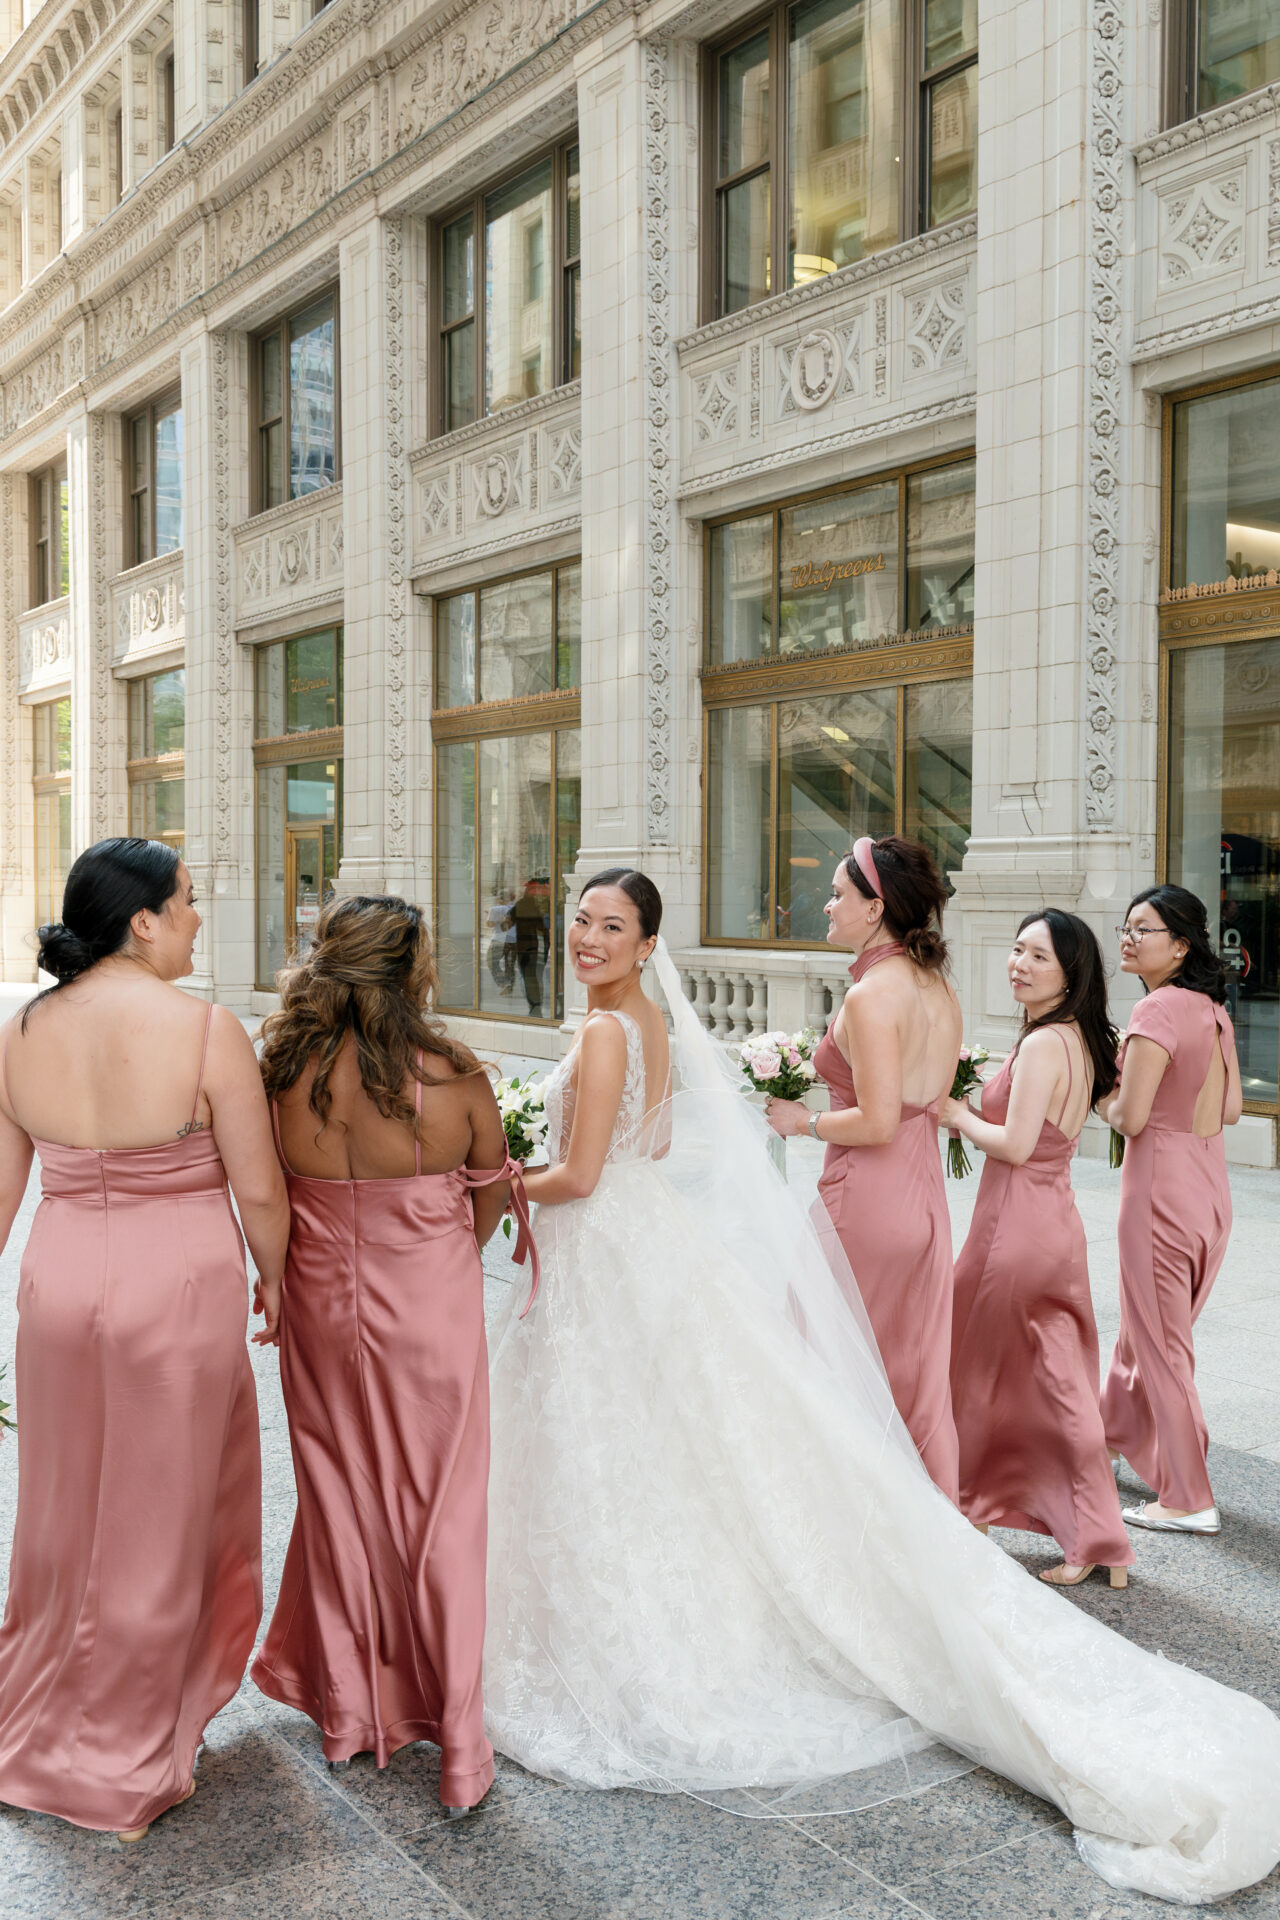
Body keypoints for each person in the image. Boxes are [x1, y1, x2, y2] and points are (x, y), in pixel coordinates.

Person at [482, 866, 1280, 1906]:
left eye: (608, 924)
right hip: (903, 1205)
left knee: (803, 1404)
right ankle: (923, 1535)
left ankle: (897, 1542)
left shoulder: (826, 1001)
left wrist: (491, 1180)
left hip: (838, 1201)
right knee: (880, 1396)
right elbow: (662, 1138)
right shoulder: (927, 993)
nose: (585, 936)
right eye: (579, 920)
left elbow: (601, 1171)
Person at [0, 838, 288, 1842]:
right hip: (174, 1291)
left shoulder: (20, 1031)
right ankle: (120, 1753)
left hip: (61, 1282)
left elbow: (2, 1196)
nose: (199, 920)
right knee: (160, 1515)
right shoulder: (207, 1029)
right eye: (190, 903)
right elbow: (258, 1187)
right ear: (143, 921)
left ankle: (34, 1723)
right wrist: (278, 1283)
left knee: (64, 1507)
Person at [250, 895, 529, 1814]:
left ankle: (350, 1717)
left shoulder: (284, 1072)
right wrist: (437, 1250)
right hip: (432, 1306)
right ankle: (455, 1740)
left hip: (321, 1304)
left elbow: (265, 1198)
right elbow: (487, 1198)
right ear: (413, 969)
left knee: (338, 1498)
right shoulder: (453, 1080)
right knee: (442, 1511)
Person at [940, 911, 1133, 1589]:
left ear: (1069, 972)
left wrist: (958, 1115)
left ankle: (1002, 1512)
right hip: (1050, 1221)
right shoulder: (1076, 1037)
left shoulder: (1047, 1044)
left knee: (987, 1373)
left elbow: (1017, 1146)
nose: (1019, 963)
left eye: (1038, 957)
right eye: (1017, 949)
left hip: (1014, 1228)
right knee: (1051, 1382)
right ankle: (1052, 1524)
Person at [767, 836, 961, 1499]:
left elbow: (877, 1122)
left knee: (824, 1363)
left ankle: (841, 1533)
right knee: (913, 1378)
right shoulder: (937, 987)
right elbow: (924, 1103)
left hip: (867, 1200)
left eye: (838, 894)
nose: (826, 906)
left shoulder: (873, 995)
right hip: (925, 1200)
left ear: (874, 909)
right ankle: (934, 1533)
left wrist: (804, 1122)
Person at [1098, 885, 1241, 1535]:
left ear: (1180, 945)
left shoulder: (1156, 1010)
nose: (1128, 938)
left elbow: (1128, 1117)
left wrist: (1095, 1083)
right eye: (1125, 927)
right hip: (1209, 1189)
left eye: (1143, 929)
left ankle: (1188, 1496)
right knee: (1148, 1334)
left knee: (1160, 1347)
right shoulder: (1212, 1010)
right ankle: (1107, 1432)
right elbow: (1232, 1110)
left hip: (1159, 1191)